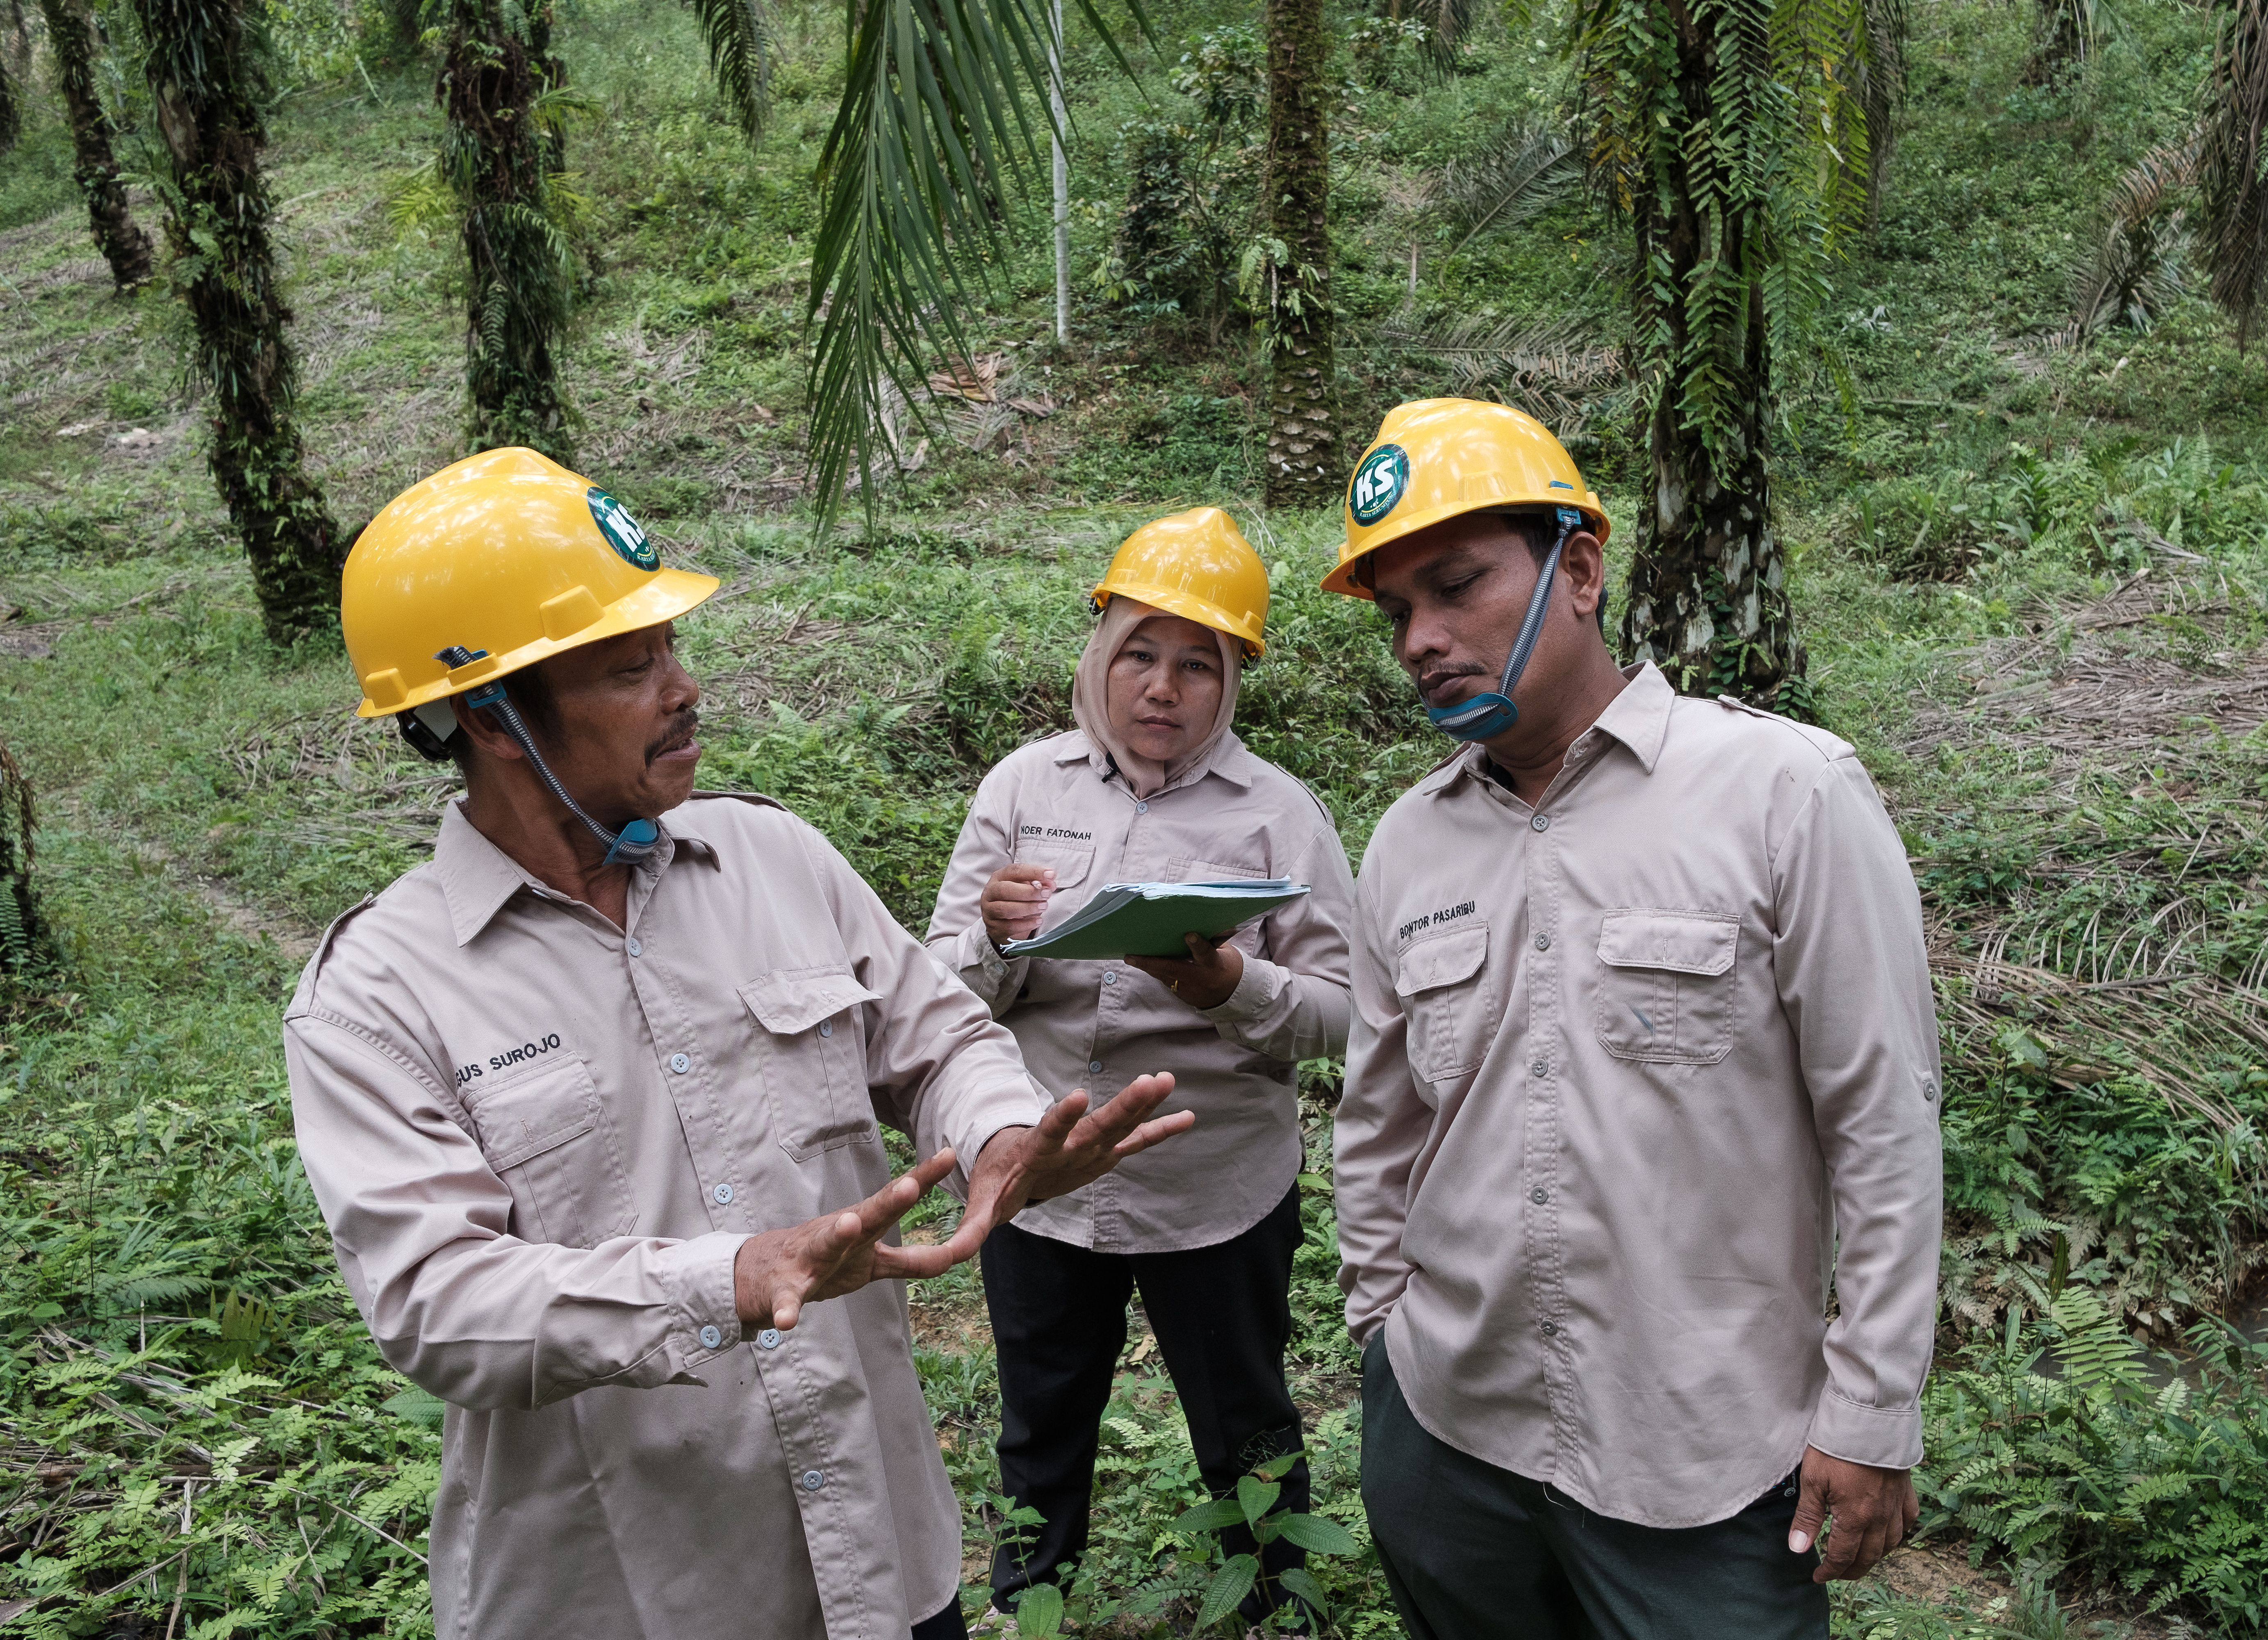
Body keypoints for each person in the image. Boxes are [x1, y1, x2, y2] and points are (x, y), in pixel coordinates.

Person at [283, 448, 1192, 1640]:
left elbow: (937, 1035)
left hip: (882, 1565)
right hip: (629, 1597)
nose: (683, 688)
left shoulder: (773, 859)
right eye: (630, 666)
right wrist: (730, 1277)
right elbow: (439, 1304)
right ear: (494, 718)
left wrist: (1001, 1130)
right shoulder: (379, 994)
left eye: (671, 648)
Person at [1325, 400, 1944, 1638]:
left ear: (1582, 571)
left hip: (1704, 1464)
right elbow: (1379, 1123)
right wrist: (1383, 1335)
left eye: (1456, 588)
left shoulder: (1785, 795)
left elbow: (1882, 1118)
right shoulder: (1406, 842)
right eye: (1398, 614)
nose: (1423, 642)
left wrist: (1871, 1414)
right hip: (1450, 1433)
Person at [924, 506, 1355, 1622]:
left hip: (1213, 1185)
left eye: (1199, 665)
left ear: (1235, 682)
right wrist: (996, 937)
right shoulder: (1022, 792)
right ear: (1100, 653)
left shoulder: (1281, 819)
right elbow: (936, 1001)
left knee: (1245, 1422)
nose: (1164, 690)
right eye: (1141, 656)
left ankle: (1273, 1603)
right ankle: (1032, 1606)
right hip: (1041, 1175)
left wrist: (1232, 990)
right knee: (1042, 1417)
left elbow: (1351, 1017)